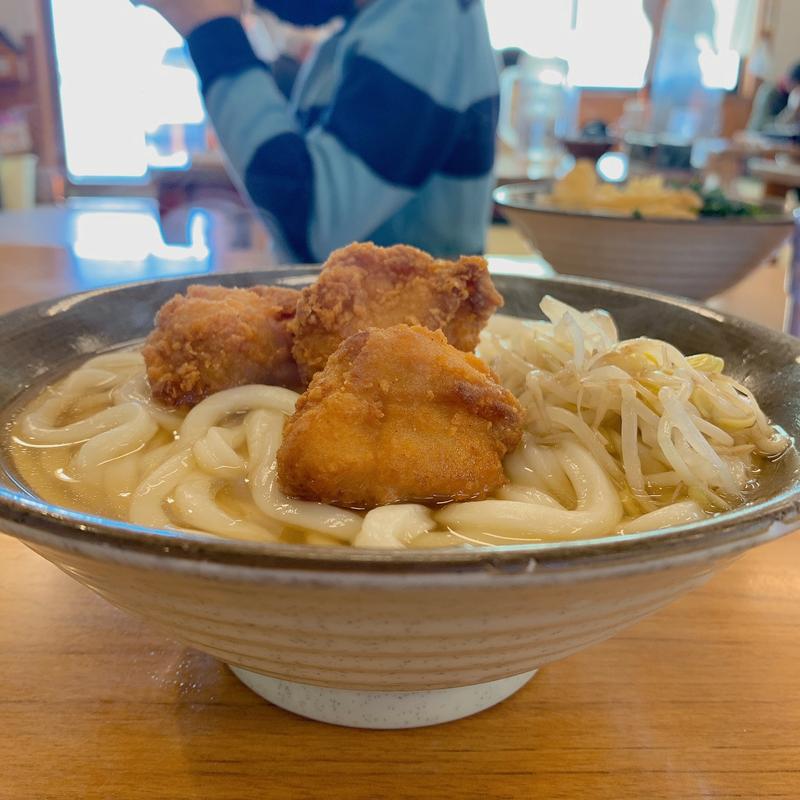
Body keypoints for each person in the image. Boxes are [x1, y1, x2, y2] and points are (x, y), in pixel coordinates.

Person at [137, 0, 499, 262]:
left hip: (406, 337)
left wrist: (212, 31)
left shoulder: (427, 15)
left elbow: (315, 223)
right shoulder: (377, 24)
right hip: (374, 336)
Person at [748, 62, 800, 132]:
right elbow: (762, 125)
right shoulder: (768, 91)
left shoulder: (791, 95)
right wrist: (791, 109)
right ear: (791, 81)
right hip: (756, 135)